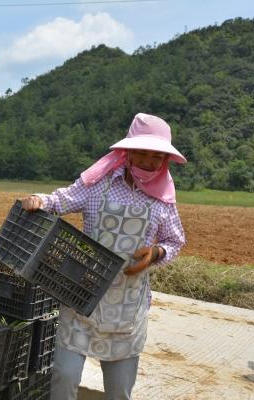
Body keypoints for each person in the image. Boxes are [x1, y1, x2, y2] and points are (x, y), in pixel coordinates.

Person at [21, 113, 186, 400]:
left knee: (119, 392)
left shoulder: (163, 200)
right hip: (82, 296)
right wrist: (40, 200)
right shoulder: (99, 183)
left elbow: (175, 241)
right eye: (141, 153)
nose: (148, 161)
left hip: (127, 307)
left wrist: (155, 253)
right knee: (64, 377)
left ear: (165, 160)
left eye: (156, 156)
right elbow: (61, 200)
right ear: (128, 152)